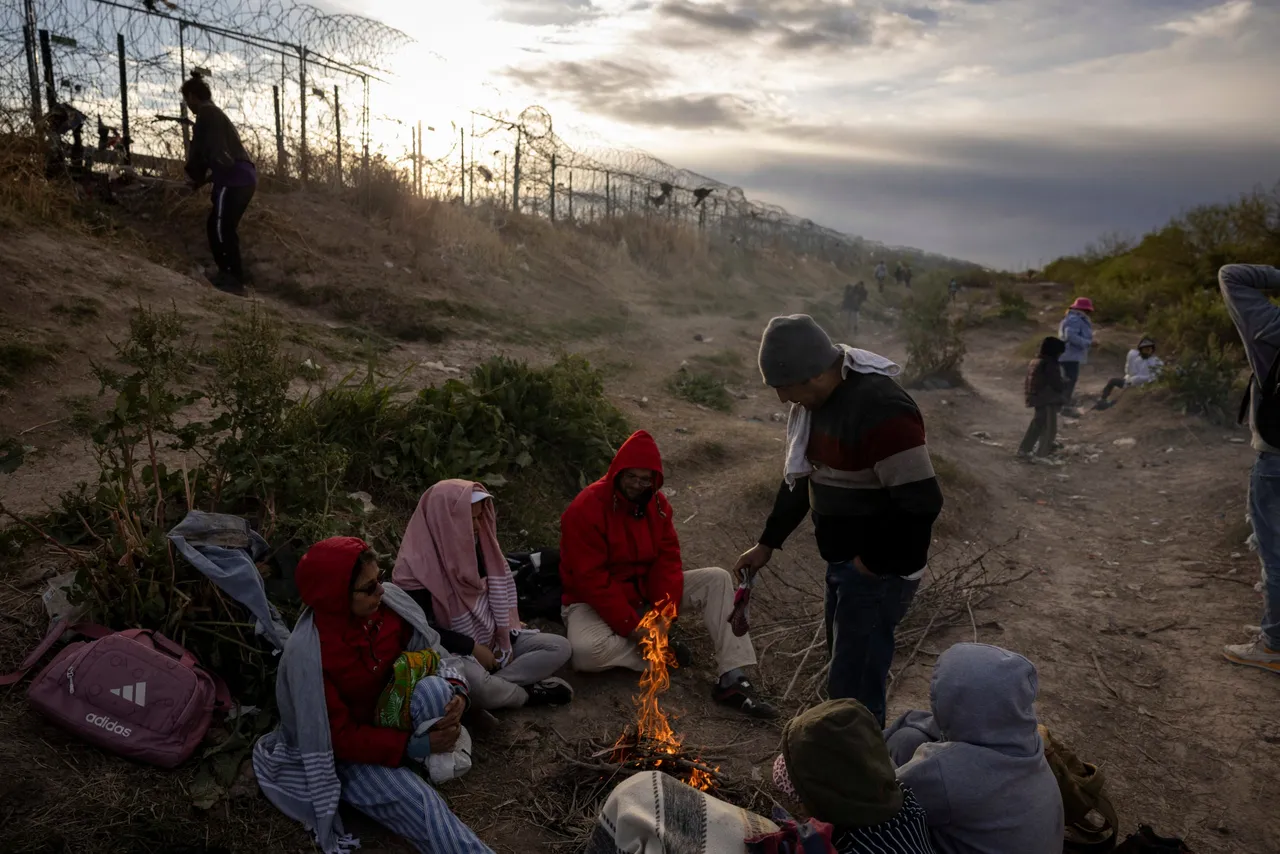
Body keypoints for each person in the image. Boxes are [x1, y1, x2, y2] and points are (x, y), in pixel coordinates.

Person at [733, 315, 943, 727]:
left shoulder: (881, 409)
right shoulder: (817, 407)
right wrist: (767, 543)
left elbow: (921, 501)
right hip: (848, 566)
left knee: (855, 688)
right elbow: (801, 478)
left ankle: (861, 775)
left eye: (782, 388)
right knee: (845, 670)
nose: (781, 401)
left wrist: (870, 565)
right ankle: (849, 756)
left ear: (811, 376)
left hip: (878, 571)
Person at [252, 536, 494, 854]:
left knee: (436, 689)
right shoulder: (310, 656)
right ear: (337, 596)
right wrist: (416, 745)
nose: (382, 589)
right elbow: (338, 738)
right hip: (351, 756)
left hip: (392, 721)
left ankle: (425, 760)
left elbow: (434, 654)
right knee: (423, 804)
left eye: (379, 578)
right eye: (369, 587)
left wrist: (458, 695)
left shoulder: (390, 609)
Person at [559, 429, 777, 718]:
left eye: (645, 479)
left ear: (655, 479)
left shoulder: (658, 507)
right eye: (631, 477)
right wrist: (633, 627)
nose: (637, 485)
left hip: (644, 597)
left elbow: (667, 563)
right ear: (617, 473)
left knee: (717, 578)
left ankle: (731, 677)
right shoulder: (585, 509)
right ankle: (663, 654)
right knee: (585, 654)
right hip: (592, 602)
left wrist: (662, 615)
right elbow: (591, 580)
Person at [392, 480, 574, 710]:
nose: (478, 526)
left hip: (492, 641)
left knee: (559, 647)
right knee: (477, 683)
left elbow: (490, 600)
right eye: (469, 519)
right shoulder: (413, 569)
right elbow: (419, 632)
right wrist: (471, 647)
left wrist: (503, 630)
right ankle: (524, 693)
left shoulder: (479, 550)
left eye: (479, 518)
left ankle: (493, 690)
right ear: (444, 520)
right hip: (452, 653)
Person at [884, 643, 1063, 854]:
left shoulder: (946, 770)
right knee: (910, 736)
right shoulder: (1029, 742)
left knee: (899, 749)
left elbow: (878, 796)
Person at [769, 698, 937, 853]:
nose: (799, 808)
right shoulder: (904, 803)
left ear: (830, 798)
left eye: (801, 798)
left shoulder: (854, 848)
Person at [1218, 264, 1280, 673]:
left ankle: (1274, 645)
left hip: (1277, 459)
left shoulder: (1270, 324)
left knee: (1276, 555)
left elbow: (1232, 274)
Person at [181, 72, 257, 296]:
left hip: (233, 178)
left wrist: (194, 176)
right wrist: (203, 179)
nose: (189, 107)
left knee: (220, 226)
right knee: (220, 225)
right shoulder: (216, 115)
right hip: (242, 176)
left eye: (188, 101)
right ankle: (232, 273)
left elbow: (208, 152)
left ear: (193, 97)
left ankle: (232, 277)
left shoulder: (207, 115)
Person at [1018, 337, 1067, 459]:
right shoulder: (1050, 364)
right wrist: (1064, 383)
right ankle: (1041, 454)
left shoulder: (1036, 361)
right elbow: (1056, 384)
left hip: (1037, 398)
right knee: (1049, 429)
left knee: (1037, 425)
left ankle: (1024, 450)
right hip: (1047, 399)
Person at [1095, 336, 1163, 410]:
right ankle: (1103, 399)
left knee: (1123, 398)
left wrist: (1138, 379)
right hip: (1131, 382)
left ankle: (1110, 404)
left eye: (1148, 349)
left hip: (1143, 385)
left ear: (1152, 350)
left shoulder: (1157, 362)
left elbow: (1156, 376)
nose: (1146, 351)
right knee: (1112, 381)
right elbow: (1130, 372)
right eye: (1144, 349)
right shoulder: (1137, 359)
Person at [1057, 297, 1094, 410]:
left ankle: (1062, 404)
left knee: (1067, 380)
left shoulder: (1071, 318)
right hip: (1070, 355)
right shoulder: (1075, 319)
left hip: (1068, 354)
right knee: (1069, 380)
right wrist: (1087, 343)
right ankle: (1064, 406)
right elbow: (1070, 336)